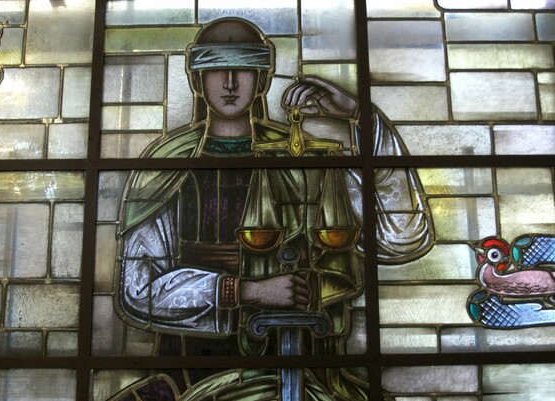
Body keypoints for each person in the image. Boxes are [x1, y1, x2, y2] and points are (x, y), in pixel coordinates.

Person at [114, 17, 433, 401]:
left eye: (244, 70)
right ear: (197, 79)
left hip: (307, 368)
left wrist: (358, 115)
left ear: (262, 78)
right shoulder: (166, 166)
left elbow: (401, 235)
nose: (230, 83)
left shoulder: (301, 157)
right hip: (196, 371)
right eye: (216, 70)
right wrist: (246, 291)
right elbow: (137, 291)